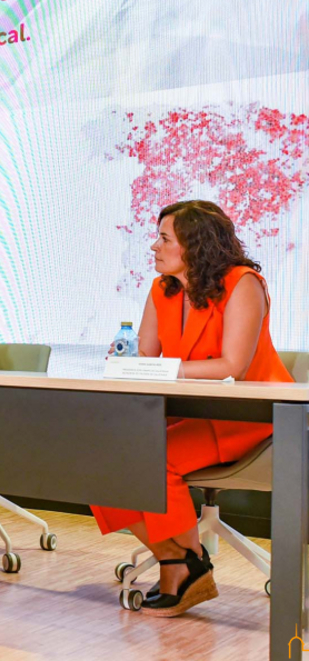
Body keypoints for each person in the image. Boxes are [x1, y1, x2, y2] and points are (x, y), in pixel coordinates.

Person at [91, 200, 294, 617]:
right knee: (101, 461)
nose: (154, 246)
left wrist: (155, 368)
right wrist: (127, 358)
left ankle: (180, 573)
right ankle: (184, 560)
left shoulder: (243, 283)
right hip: (190, 412)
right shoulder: (161, 289)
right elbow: (145, 355)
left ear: (194, 243)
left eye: (164, 238)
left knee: (155, 457)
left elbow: (232, 366)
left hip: (249, 417)